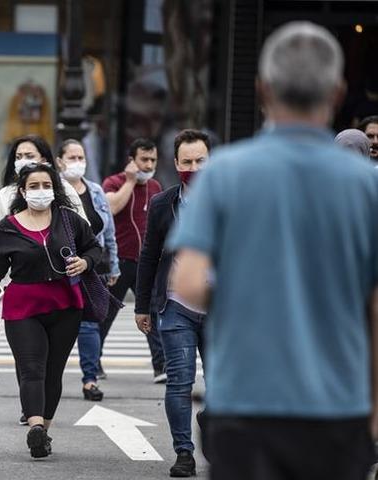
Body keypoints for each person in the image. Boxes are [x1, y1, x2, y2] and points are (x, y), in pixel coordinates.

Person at [168, 22, 378, 480]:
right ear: (338, 92)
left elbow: (186, 282)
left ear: (262, 89)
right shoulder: (367, 186)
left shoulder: (224, 174)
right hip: (338, 406)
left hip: (245, 401)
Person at [0, 162, 103, 459]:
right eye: (33, 186)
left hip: (65, 306)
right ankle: (34, 426)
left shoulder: (69, 220)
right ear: (22, 191)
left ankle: (43, 431)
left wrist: (85, 262)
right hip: (23, 307)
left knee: (53, 371)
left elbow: (94, 248)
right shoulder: (7, 227)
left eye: (46, 186)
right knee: (31, 368)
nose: (40, 191)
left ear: (54, 189)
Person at [134, 129, 210, 477]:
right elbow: (149, 254)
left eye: (201, 161)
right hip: (176, 306)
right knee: (179, 381)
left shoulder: (230, 199)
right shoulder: (165, 203)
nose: (194, 167)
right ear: (176, 164)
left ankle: (210, 420)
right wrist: (143, 305)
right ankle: (184, 452)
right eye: (187, 162)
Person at [55, 139, 119, 402]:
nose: (78, 162)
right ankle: (45, 388)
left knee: (90, 325)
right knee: (55, 328)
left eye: (81, 157)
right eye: (72, 157)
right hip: (59, 270)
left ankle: (90, 380)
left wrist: (113, 264)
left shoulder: (95, 191)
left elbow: (109, 232)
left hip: (93, 268)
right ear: (59, 160)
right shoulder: (52, 190)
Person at [101, 138, 165, 382]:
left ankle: (161, 365)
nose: (148, 165)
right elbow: (112, 208)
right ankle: (93, 362)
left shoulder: (156, 187)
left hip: (145, 263)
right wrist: (129, 181)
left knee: (151, 313)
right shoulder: (114, 182)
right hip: (119, 262)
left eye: (153, 160)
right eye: (144, 159)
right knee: (105, 315)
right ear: (132, 160)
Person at [0, 135, 86, 243]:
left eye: (29, 156)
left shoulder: (64, 188)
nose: (23, 161)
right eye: (18, 157)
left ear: (43, 160)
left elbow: (84, 232)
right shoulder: (5, 194)